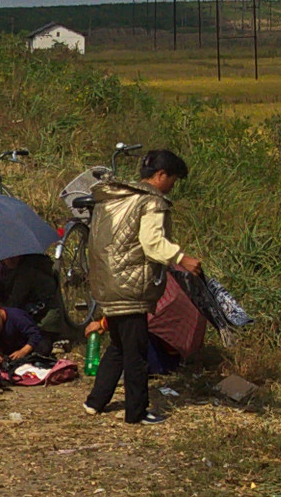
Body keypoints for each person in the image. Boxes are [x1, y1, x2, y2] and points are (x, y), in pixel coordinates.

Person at [83, 149, 202, 426]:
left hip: (108, 281)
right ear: (161, 175)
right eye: (173, 179)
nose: (172, 185)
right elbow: (152, 243)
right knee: (136, 354)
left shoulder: (115, 197)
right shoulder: (151, 201)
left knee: (119, 346)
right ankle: (136, 412)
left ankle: (95, 401)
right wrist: (182, 258)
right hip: (131, 286)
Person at [0, 253, 65, 334]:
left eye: (14, 256)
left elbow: (12, 306)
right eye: (6, 257)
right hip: (28, 314)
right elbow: (4, 289)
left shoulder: (27, 271)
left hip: (43, 324)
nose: (10, 259)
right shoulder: (8, 269)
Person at [0, 300, 52, 365]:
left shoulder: (16, 316)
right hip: (9, 352)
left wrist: (23, 351)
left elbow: (35, 335)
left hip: (27, 347)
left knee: (43, 346)